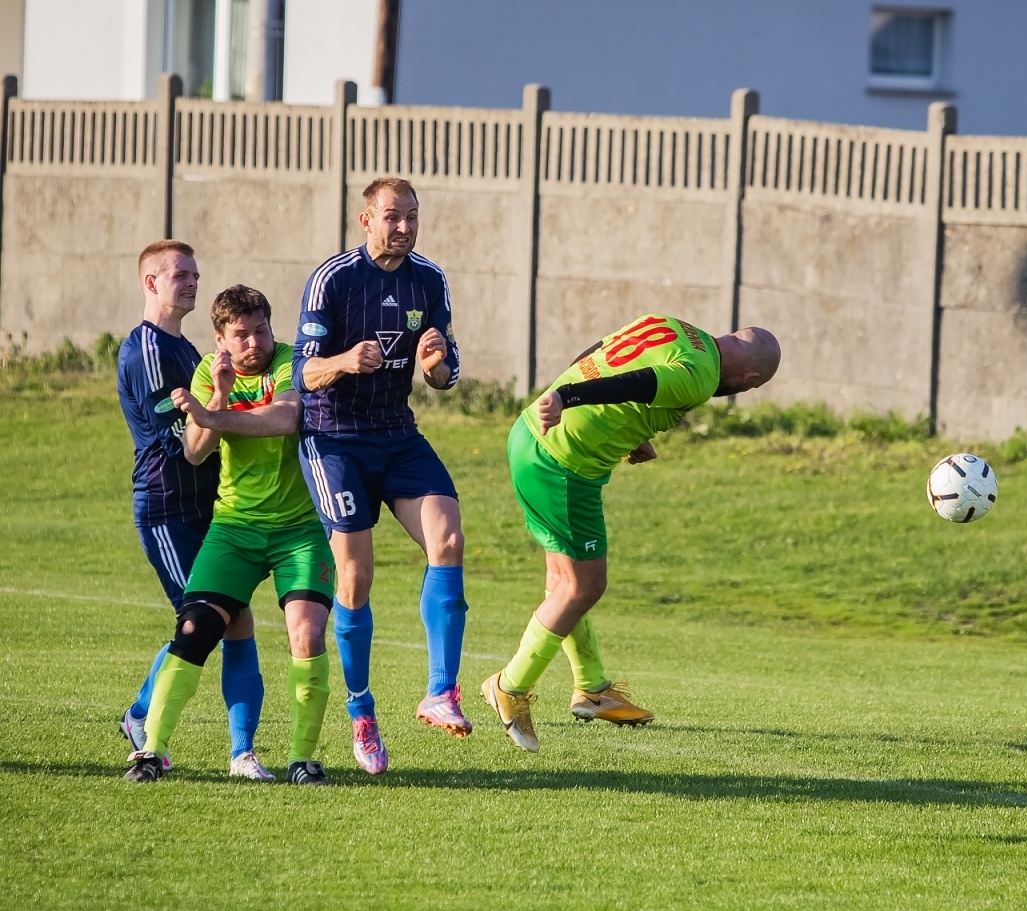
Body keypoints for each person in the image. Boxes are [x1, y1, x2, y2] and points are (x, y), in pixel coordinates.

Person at [478, 315, 781, 750]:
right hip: (563, 464)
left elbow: (598, 356)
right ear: (750, 380)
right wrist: (565, 398)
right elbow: (635, 384)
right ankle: (510, 686)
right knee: (584, 586)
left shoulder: (671, 324)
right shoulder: (701, 376)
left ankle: (592, 689)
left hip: (531, 436)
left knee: (564, 582)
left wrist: (614, 422)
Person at [292, 177, 469, 776]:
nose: (405, 227)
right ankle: (361, 711)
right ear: (366, 220)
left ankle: (441, 692)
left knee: (449, 539)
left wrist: (436, 364)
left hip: (397, 432)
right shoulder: (333, 279)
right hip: (334, 437)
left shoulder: (429, 280)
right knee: (355, 576)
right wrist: (345, 361)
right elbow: (301, 373)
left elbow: (446, 373)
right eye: (393, 216)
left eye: (412, 216)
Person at [124, 286, 335, 785]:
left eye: (261, 330)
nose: (255, 342)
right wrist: (216, 396)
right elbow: (195, 451)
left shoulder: (290, 361)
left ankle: (302, 760)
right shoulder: (207, 372)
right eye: (241, 335)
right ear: (220, 339)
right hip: (234, 528)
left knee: (306, 633)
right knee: (194, 629)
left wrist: (212, 415)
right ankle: (151, 752)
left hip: (299, 530)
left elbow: (286, 416)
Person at [115, 240, 266, 778]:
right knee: (205, 621)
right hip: (168, 508)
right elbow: (184, 440)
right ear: (150, 283)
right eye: (180, 274)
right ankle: (142, 717)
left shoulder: (185, 349)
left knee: (231, 617)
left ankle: (242, 751)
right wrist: (224, 411)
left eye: (195, 274)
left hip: (206, 507)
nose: (192, 282)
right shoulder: (147, 350)